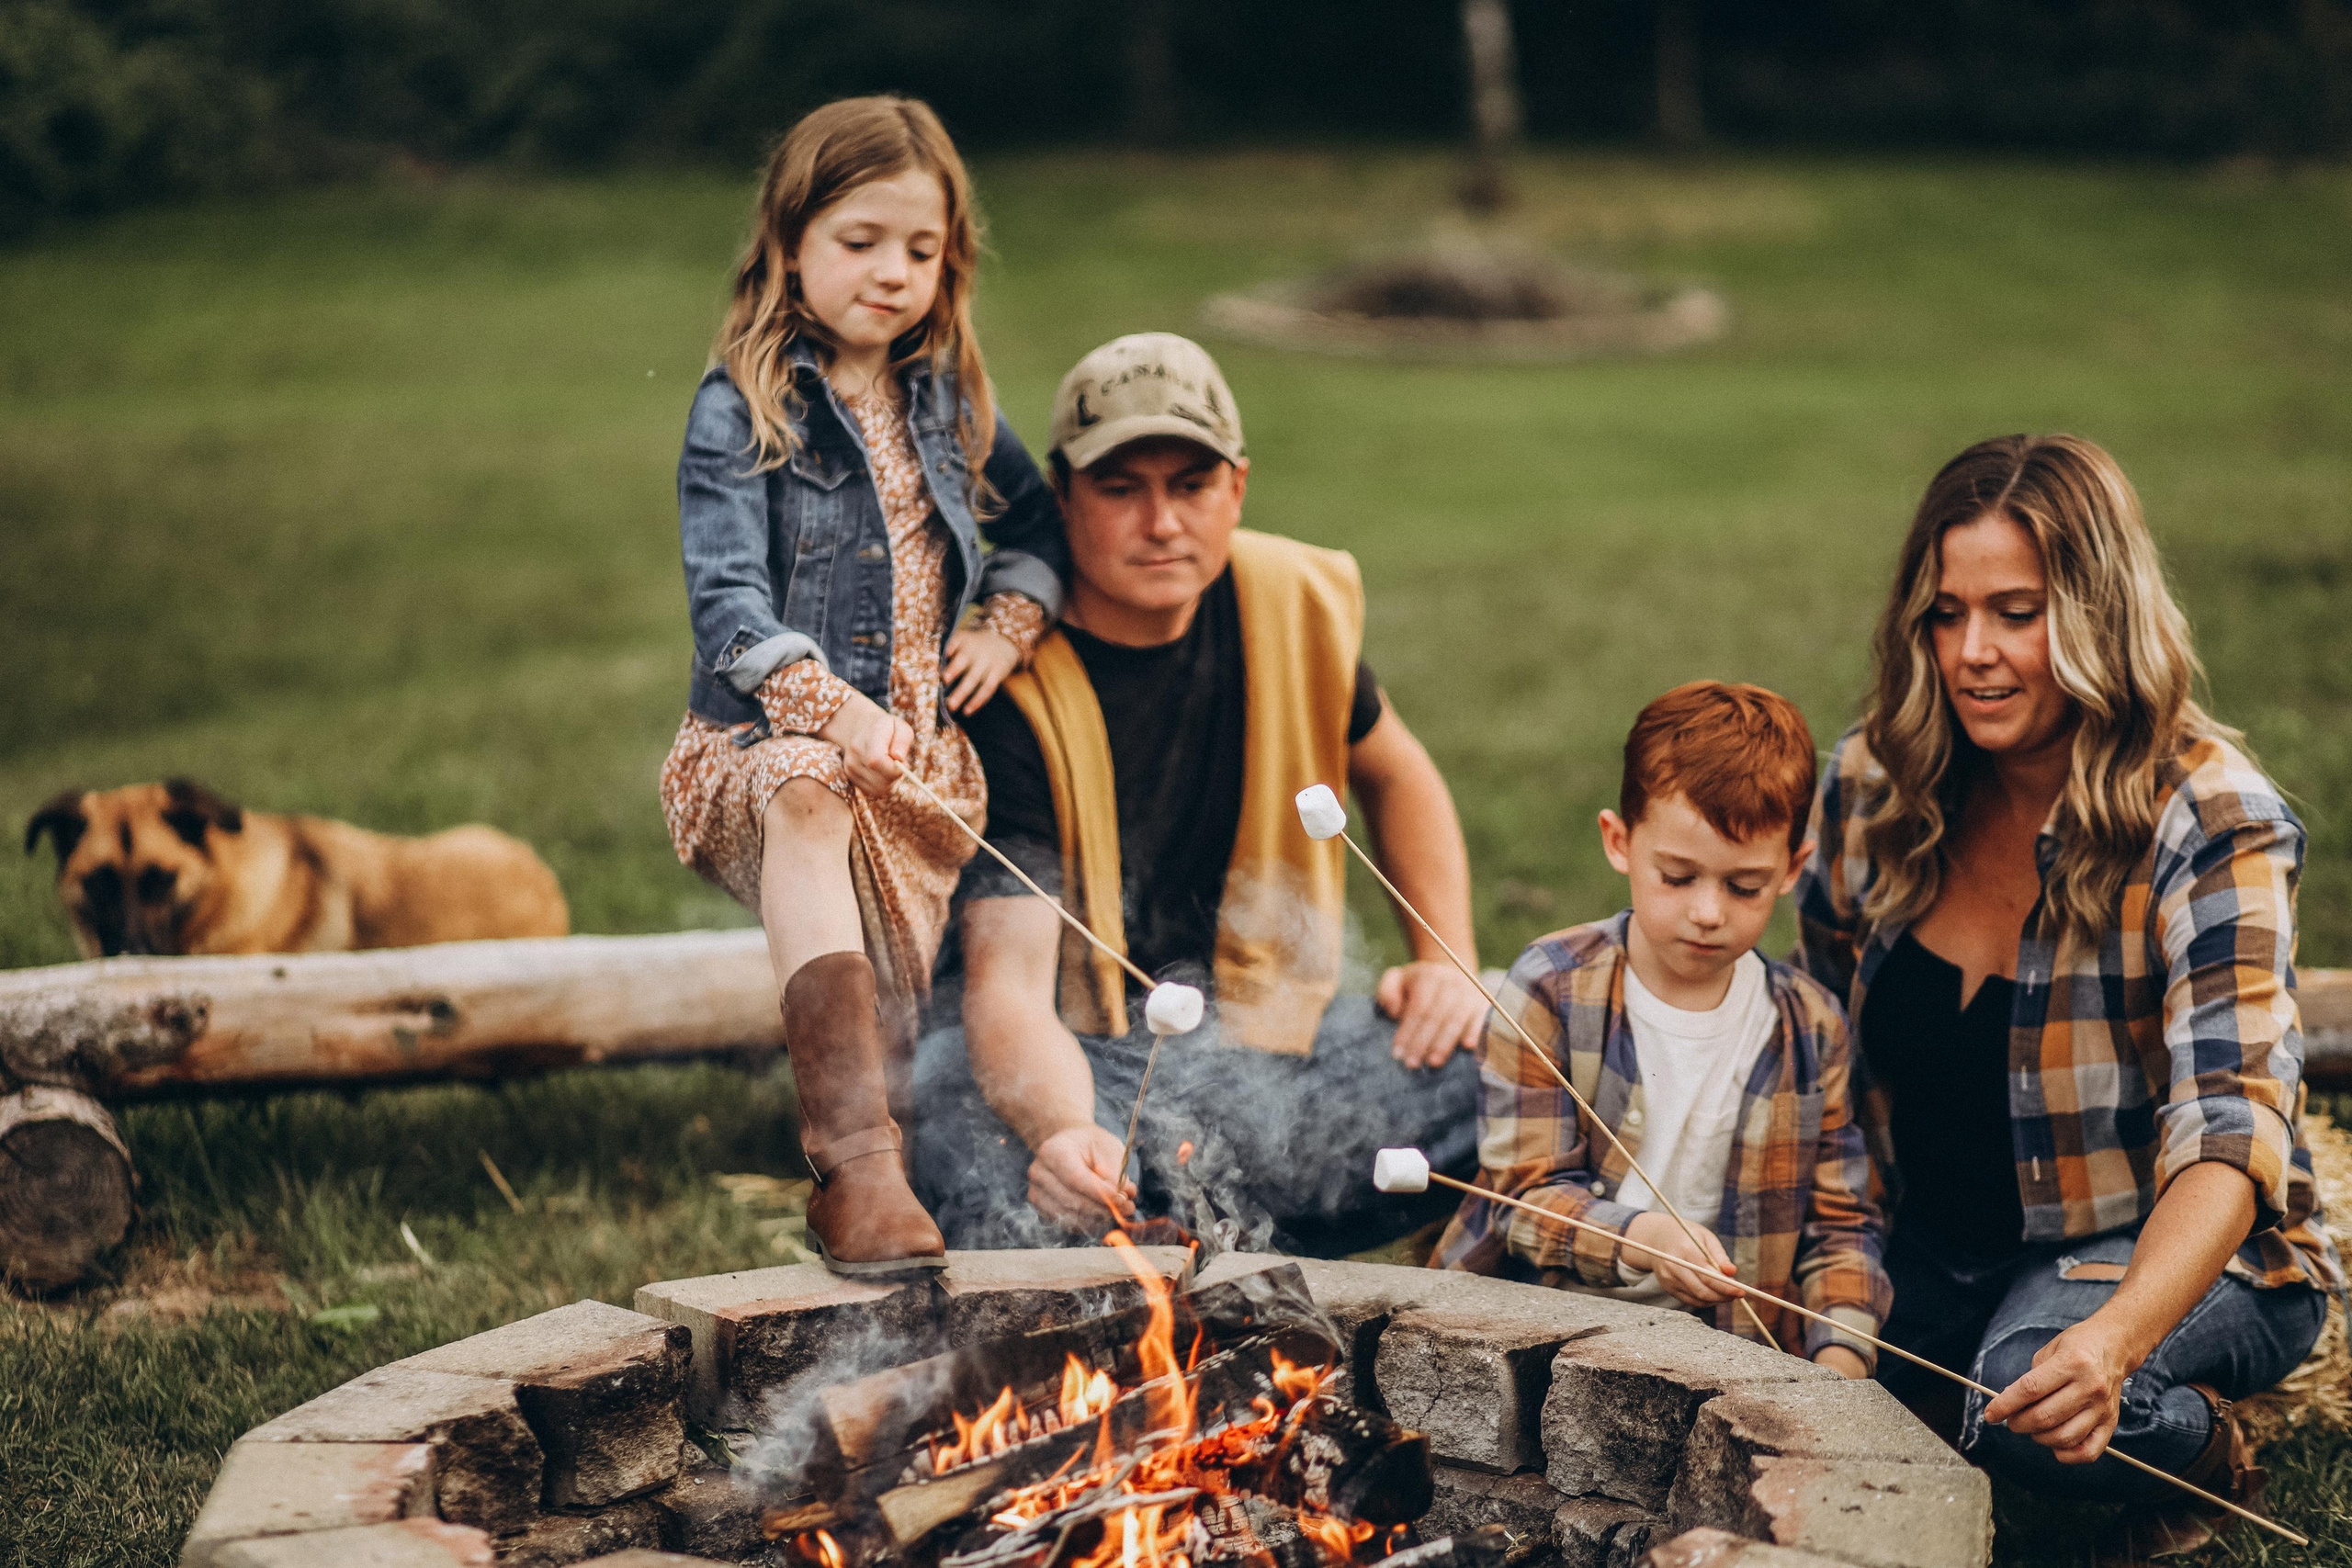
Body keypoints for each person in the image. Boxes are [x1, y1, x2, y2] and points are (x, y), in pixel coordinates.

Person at [1796, 434, 2339, 1554]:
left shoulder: (2212, 820)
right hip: (1931, 1235)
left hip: (2147, 1242)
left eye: (2017, 613)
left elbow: (2229, 1128)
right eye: (1945, 614)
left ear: (2100, 616)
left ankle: (2203, 1454)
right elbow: (1812, 1048)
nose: (1972, 654)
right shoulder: (1873, 782)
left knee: (2021, 1390)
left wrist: (2113, 1341)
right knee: (1776, 1355)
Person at [910, 333, 1491, 1255]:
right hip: (1074, 1057)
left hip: (1264, 1041)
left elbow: (1399, 772)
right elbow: (1007, 988)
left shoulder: (1286, 604)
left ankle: (1191, 1228)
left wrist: (1446, 961)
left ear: (1237, 489)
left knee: (1519, 1053)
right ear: (1061, 498)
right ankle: (1188, 1224)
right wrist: (1066, 1133)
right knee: (982, 1147)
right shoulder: (1012, 683)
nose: (1162, 523)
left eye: (1191, 485)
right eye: (1120, 489)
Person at [658, 97, 1068, 1276]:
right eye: (860, 241)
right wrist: (827, 705)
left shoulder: (950, 403)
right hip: (760, 750)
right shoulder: (742, 408)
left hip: (916, 767)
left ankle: (927, 1202)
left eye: (921, 250)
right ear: (790, 243)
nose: (893, 273)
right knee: (806, 784)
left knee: (916, 1032)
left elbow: (1037, 527)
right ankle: (853, 1166)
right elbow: (727, 606)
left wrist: (1007, 622)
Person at [1432, 682, 1889, 1372]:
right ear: (1619, 842)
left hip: (1725, 1360)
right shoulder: (1551, 989)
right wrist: (1644, 1240)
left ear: (1793, 868)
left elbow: (1842, 1226)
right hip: (1531, 1347)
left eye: (1744, 886)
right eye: (1677, 877)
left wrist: (1842, 1361)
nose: (1708, 912)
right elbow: (1521, 1198)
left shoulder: (1812, 1027)